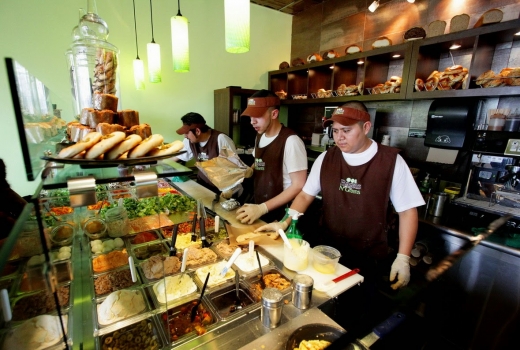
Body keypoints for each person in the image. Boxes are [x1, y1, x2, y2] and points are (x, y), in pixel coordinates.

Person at [257, 101, 425, 328]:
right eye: (335, 131)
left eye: (347, 130)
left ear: (366, 127)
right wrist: (285, 221)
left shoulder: (391, 161)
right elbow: (305, 195)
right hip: (327, 252)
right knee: (325, 311)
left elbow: (407, 211)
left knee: (357, 317)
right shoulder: (326, 158)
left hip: (369, 257)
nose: (339, 137)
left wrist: (403, 257)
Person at [236, 90, 308, 224]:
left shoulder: (291, 141)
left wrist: (263, 208)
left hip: (282, 214)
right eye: (250, 116)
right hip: (260, 208)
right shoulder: (260, 136)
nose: (252, 122)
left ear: (274, 114)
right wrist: (246, 173)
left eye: (257, 116)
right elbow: (258, 162)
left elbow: (298, 185)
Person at [173, 112, 243, 194]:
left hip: (223, 190)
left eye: (187, 133)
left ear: (198, 131)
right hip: (203, 185)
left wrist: (229, 191)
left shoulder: (220, 139)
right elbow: (176, 157)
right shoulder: (189, 141)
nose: (185, 136)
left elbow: (235, 168)